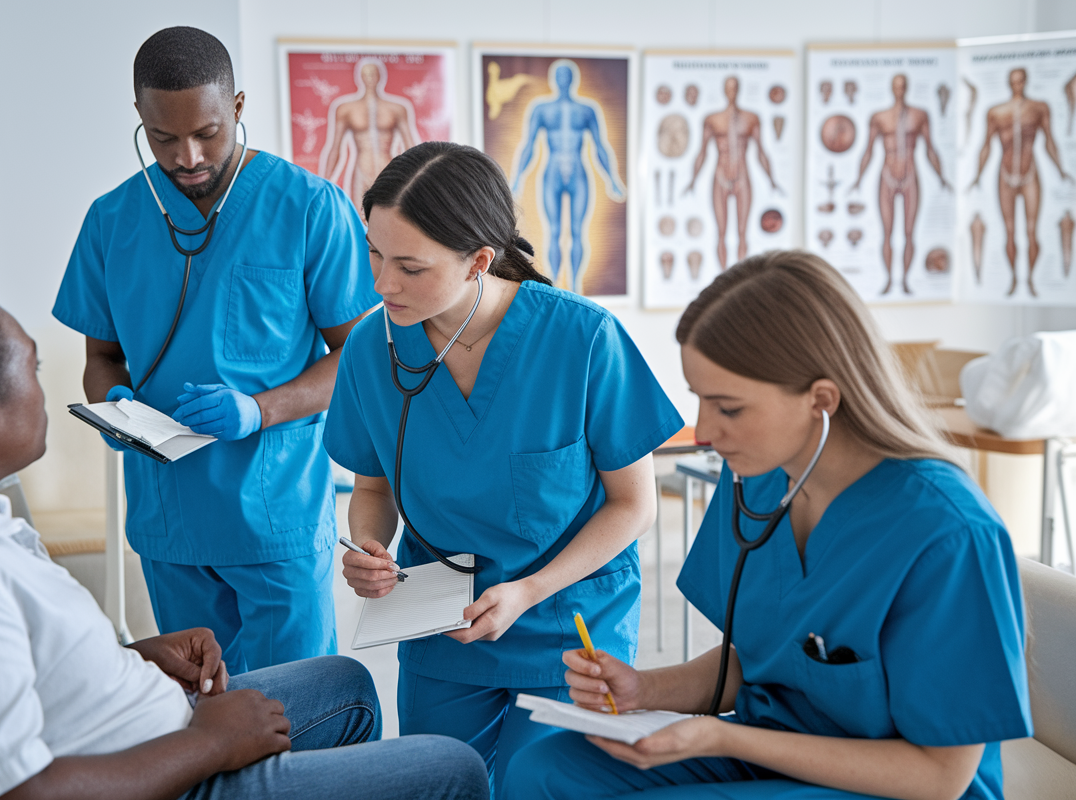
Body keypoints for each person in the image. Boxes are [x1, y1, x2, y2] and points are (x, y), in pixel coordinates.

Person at [0, 269, 489, 800]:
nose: (47, 391)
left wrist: (135, 659)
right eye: (33, 373)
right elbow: (10, 791)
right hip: (173, 778)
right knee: (453, 768)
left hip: (151, 730)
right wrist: (211, 746)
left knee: (342, 682)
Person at [505, 251, 1032, 800]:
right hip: (774, 742)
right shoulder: (758, 480)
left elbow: (941, 777)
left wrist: (720, 738)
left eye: (728, 408)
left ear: (820, 401)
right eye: (700, 401)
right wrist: (643, 689)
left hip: (891, 783)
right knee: (540, 770)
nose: (704, 430)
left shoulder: (946, 532)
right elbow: (762, 660)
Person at [324, 141, 683, 797]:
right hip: (444, 628)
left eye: (409, 266)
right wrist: (367, 545)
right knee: (439, 781)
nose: (382, 283)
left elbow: (634, 505)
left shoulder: (581, 340)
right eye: (373, 254)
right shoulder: (372, 351)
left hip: (565, 626)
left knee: (539, 784)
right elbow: (373, 487)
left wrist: (529, 590)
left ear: (478, 262)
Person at [53, 27, 378, 673]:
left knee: (299, 709)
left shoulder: (310, 208)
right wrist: (111, 404)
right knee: (206, 706)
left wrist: (259, 409)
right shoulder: (110, 220)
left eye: (206, 132)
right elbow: (102, 358)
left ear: (237, 107)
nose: (188, 155)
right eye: (164, 138)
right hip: (168, 517)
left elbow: (359, 360)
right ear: (141, 121)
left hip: (273, 511)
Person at [510, 60, 626, 291]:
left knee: (577, 231)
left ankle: (574, 286)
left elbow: (600, 146)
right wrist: (516, 179)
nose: (563, 81)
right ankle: (554, 285)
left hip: (578, 171)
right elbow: (528, 145)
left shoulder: (586, 109)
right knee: (553, 230)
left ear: (574, 80)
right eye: (559, 76)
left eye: (567, 76)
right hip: (551, 170)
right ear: (554, 80)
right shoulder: (541, 108)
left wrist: (612, 178)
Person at [969, 67, 1072, 297]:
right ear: (1009, 83)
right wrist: (977, 174)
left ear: (1025, 82)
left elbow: (1049, 140)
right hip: (1004, 173)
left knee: (1031, 230)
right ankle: (1014, 278)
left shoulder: (1038, 108)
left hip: (1030, 172)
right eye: (1013, 81)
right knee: (1009, 230)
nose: (1017, 85)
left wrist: (1061, 170)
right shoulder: (996, 112)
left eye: (1021, 81)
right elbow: (985, 145)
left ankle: (1031, 279)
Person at [850, 73, 950, 296]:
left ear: (907, 88)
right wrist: (858, 178)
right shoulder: (880, 117)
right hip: (887, 175)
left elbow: (930, 149)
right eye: (896, 86)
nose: (900, 90)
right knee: (887, 232)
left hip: (910, 175)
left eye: (903, 86)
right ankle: (888, 279)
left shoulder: (919, 115)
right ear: (891, 88)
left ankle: (904, 280)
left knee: (908, 233)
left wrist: (941, 176)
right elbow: (868, 150)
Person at [683, 76, 779, 270]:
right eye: (728, 88)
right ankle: (723, 277)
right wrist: (693, 179)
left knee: (743, 232)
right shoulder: (712, 119)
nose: (731, 91)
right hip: (720, 176)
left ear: (739, 89)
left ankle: (740, 280)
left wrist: (771, 179)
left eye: (735, 87)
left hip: (742, 175)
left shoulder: (751, 119)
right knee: (721, 232)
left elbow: (761, 151)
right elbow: (702, 151)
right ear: (724, 90)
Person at [319, 58, 418, 216]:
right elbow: (335, 147)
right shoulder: (346, 109)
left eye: (374, 74)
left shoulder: (397, 108)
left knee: (393, 217)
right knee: (360, 219)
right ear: (360, 77)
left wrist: (418, 181)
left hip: (389, 168)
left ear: (381, 76)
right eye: (366, 74)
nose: (370, 78)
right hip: (361, 169)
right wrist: (323, 185)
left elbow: (411, 147)